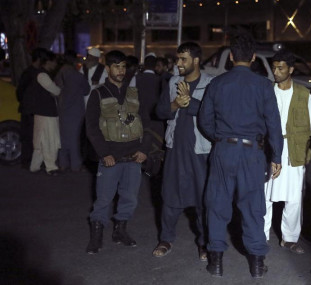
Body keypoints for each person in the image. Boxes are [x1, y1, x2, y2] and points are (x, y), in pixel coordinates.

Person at [198, 33, 283, 278]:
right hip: (252, 153)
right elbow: (274, 124)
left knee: (216, 205)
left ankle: (215, 263)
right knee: (253, 207)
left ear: (232, 56)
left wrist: (220, 137)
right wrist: (276, 156)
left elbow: (205, 120)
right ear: (254, 57)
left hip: (223, 150)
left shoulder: (217, 83)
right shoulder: (264, 85)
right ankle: (256, 266)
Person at [85, 50, 151, 254]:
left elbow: (146, 124)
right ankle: (96, 237)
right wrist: (104, 153)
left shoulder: (134, 94)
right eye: (116, 66)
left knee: (130, 198)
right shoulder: (98, 94)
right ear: (107, 68)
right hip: (110, 157)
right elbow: (91, 128)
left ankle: (120, 231)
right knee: (104, 199)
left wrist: (144, 150)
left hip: (133, 156)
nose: (121, 71)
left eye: (123, 66)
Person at [152, 42, 213, 261]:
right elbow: (159, 111)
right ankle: (166, 239)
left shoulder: (210, 83)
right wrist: (176, 104)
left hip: (200, 151)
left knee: (202, 199)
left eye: (183, 59)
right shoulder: (172, 82)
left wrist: (191, 103)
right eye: (177, 59)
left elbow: (215, 113)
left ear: (196, 61)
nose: (178, 63)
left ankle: (205, 243)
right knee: (169, 196)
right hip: (174, 150)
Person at [263, 49, 311, 253]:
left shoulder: (303, 93)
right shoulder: (267, 90)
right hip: (270, 148)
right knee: (265, 194)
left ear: (291, 69)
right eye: (274, 67)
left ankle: (290, 238)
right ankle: (261, 235)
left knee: (294, 197)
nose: (275, 72)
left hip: (294, 149)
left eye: (280, 68)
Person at [54, 50, 91, 172]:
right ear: (74, 61)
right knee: (75, 138)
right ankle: (75, 164)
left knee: (62, 137)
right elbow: (86, 90)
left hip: (61, 109)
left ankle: (63, 163)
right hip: (75, 110)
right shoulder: (77, 75)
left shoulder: (58, 74)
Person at [29, 50, 62, 176]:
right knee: (49, 140)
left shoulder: (40, 74)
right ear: (48, 62)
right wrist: (56, 90)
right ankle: (51, 167)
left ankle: (35, 166)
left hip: (42, 112)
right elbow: (56, 90)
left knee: (41, 140)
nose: (55, 64)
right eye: (54, 62)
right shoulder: (43, 75)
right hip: (47, 113)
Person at [16, 48, 47, 168]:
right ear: (39, 59)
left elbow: (20, 92)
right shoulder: (31, 73)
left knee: (32, 136)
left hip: (31, 109)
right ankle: (28, 161)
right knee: (30, 136)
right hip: (30, 110)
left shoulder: (32, 72)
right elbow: (20, 91)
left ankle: (30, 161)